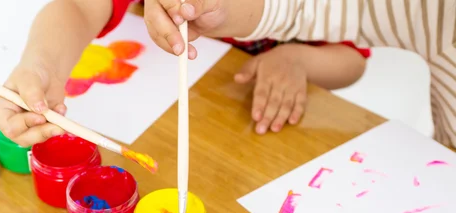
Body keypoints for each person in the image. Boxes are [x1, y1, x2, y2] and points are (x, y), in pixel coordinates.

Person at [0, 0, 367, 145]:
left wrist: (297, 59)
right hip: (170, 122)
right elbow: (78, 7)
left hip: (256, 127)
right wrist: (41, 63)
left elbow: (352, 59)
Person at [145, 0, 456, 148]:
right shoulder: (435, 13)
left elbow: (352, 59)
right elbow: (309, 10)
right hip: (193, 115)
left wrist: (299, 59)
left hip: (270, 134)